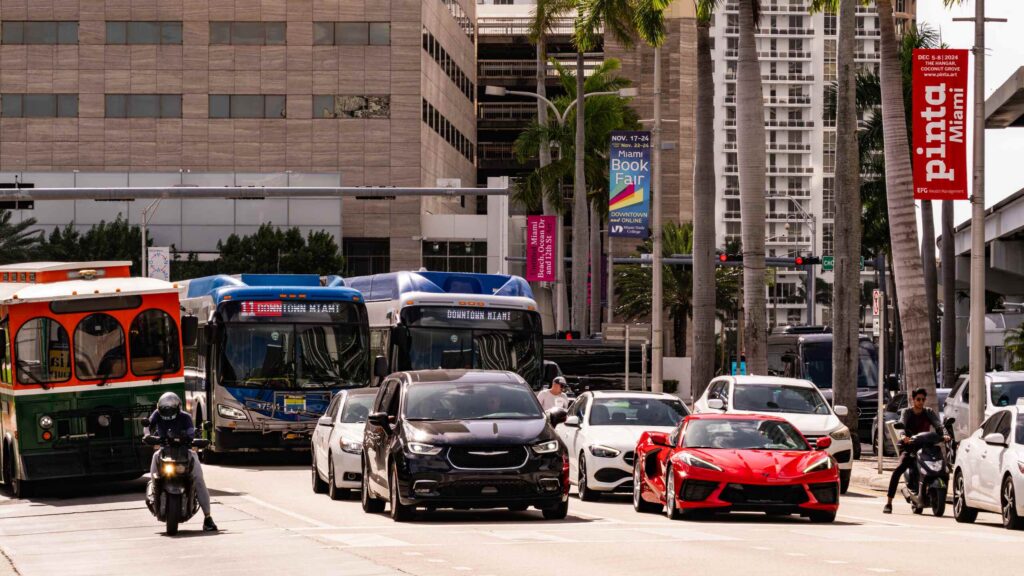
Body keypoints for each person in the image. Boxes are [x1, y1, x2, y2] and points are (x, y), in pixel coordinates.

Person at [147, 392, 218, 532]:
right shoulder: (156, 414)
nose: (168, 412)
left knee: (198, 479)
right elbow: (148, 425)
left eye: (171, 409)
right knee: (155, 457)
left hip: (185, 452)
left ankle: (208, 517)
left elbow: (191, 432)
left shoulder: (185, 417)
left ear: (178, 407)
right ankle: (154, 492)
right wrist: (147, 436)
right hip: (165, 451)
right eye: (165, 410)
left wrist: (189, 437)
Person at [883, 387, 947, 514]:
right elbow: (901, 424)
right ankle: (889, 502)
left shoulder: (928, 411)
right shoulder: (906, 412)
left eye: (923, 399)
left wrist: (944, 434)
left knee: (941, 467)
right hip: (910, 448)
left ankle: (927, 493)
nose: (921, 402)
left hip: (926, 448)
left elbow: (938, 425)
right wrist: (903, 436)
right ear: (913, 400)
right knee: (898, 470)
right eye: (918, 399)